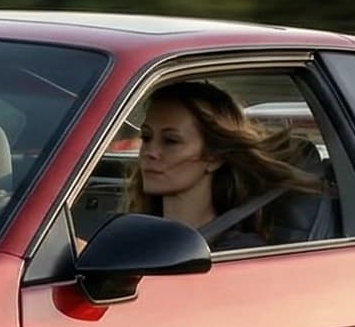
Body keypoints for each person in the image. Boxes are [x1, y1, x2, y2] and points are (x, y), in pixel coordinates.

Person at [109, 79, 327, 247]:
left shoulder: (238, 253)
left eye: (171, 141)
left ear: (214, 156)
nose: (150, 152)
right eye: (146, 137)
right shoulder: (132, 235)